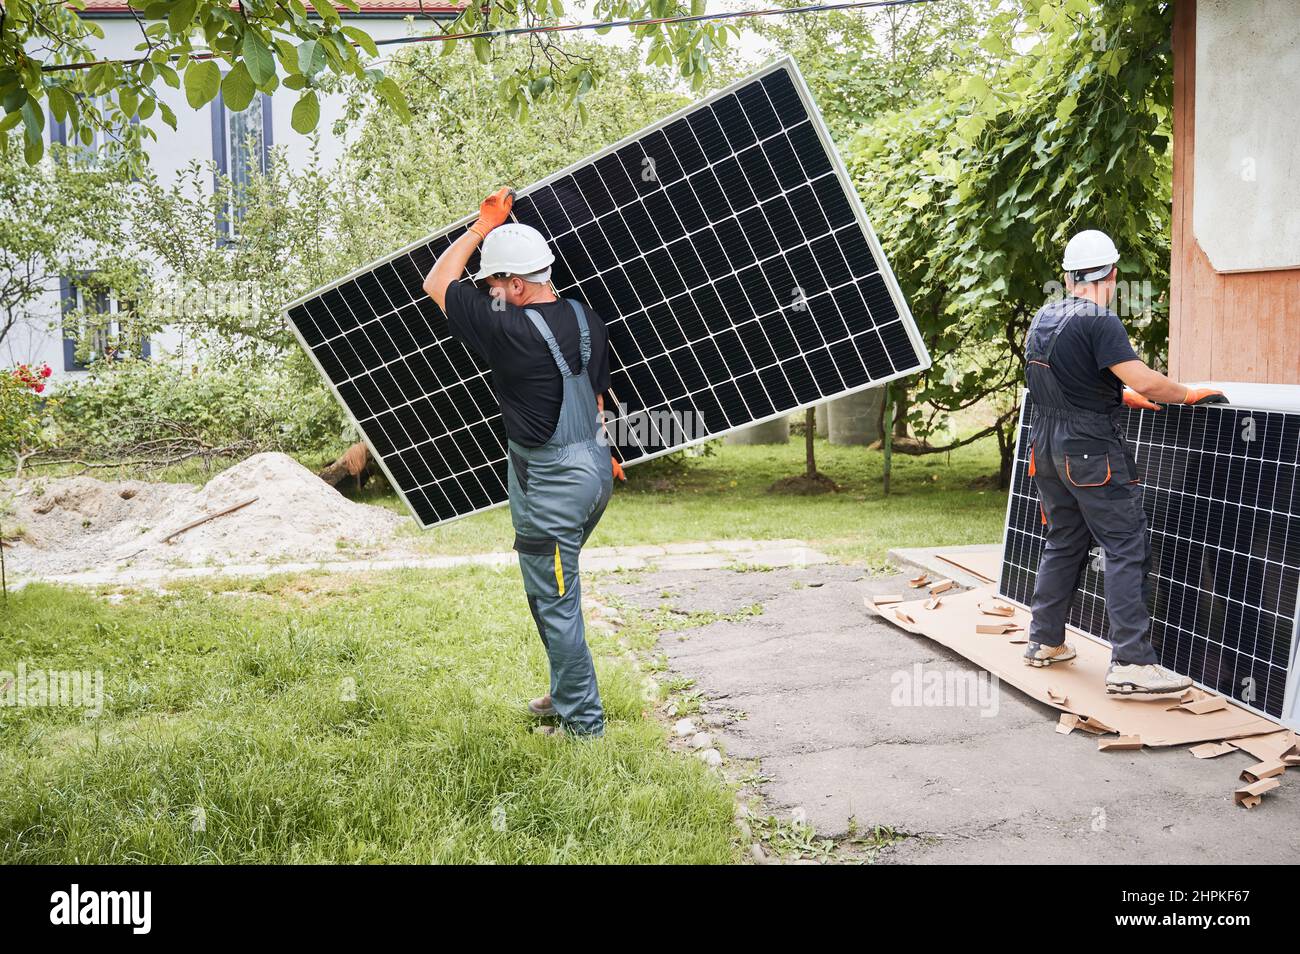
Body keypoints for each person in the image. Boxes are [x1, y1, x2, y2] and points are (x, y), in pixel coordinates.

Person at [422, 188, 624, 737]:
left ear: (515, 284)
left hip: (552, 483)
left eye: (493, 285)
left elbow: (436, 284)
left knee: (557, 602)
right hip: (594, 467)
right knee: (548, 589)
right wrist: (599, 454)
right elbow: (598, 397)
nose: (488, 293)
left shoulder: (505, 326)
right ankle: (564, 690)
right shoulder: (586, 317)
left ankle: (584, 727)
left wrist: (479, 229)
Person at [1022, 229, 1225, 694]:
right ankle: (1132, 664)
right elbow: (1147, 381)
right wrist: (1185, 393)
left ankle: (1044, 642)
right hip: (1090, 451)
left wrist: (1116, 395)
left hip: (1047, 448)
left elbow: (1060, 381)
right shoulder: (1099, 320)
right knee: (1125, 546)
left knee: (1063, 541)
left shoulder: (1044, 316)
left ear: (1071, 273)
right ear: (1111, 274)